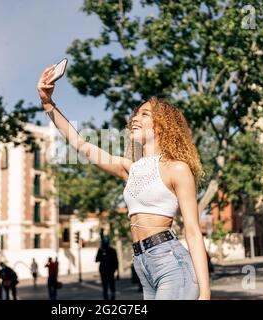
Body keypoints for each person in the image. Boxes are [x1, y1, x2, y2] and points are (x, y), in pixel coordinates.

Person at [37, 66, 211, 300]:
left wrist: (205, 292)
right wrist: (48, 103)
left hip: (170, 261)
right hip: (142, 263)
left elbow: (192, 230)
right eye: (135, 115)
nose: (134, 119)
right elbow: (81, 144)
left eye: (145, 114)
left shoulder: (177, 169)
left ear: (162, 125)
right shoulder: (130, 168)